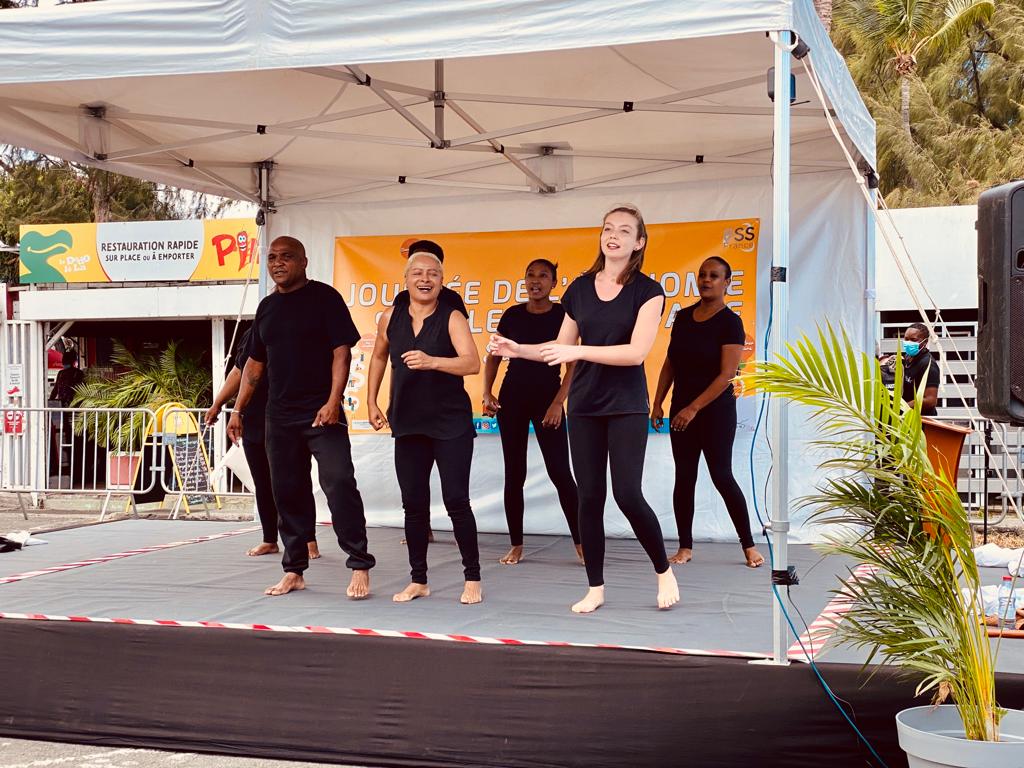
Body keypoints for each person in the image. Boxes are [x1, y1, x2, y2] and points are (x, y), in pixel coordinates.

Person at [488, 204, 679, 614]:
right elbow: (559, 349)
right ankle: (595, 586)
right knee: (589, 497)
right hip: (586, 406)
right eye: (608, 228)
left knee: (627, 494)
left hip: (626, 405)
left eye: (624, 231)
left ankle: (663, 570)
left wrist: (577, 351)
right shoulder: (578, 289)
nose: (614, 235)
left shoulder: (649, 292)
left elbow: (635, 353)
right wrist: (517, 349)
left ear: (638, 242)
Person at [229, 236, 375, 598]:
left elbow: (342, 354)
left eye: (287, 257)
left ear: (304, 261)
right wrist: (238, 408)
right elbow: (255, 364)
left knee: (339, 483)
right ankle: (294, 569)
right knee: (287, 493)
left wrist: (332, 400)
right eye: (273, 257)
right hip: (278, 417)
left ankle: (359, 563)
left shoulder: (325, 299)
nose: (278, 263)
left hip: (321, 414)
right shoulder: (266, 308)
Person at [367, 246, 483, 604]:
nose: (425, 279)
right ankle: (418, 579)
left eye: (432, 274)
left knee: (456, 500)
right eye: (417, 273)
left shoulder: (451, 317)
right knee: (413, 504)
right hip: (408, 422)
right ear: (405, 280)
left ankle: (472, 577)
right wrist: (371, 401)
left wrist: (433, 361)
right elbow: (379, 356)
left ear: (442, 281)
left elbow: (472, 364)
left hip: (451, 423)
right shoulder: (390, 317)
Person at [650, 257, 764, 569]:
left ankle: (749, 545)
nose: (707, 280)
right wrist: (658, 401)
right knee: (684, 477)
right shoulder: (684, 317)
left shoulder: (730, 322)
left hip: (714, 412)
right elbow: (670, 363)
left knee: (722, 476)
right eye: (702, 275)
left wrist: (694, 408)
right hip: (681, 411)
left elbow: (727, 374)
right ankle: (685, 546)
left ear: (727, 283)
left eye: (714, 276)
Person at [482, 258, 582, 565]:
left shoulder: (563, 315)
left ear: (554, 282)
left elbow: (573, 364)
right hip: (512, 399)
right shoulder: (512, 315)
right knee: (515, 474)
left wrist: (557, 402)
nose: (535, 280)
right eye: (530, 275)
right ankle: (516, 544)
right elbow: (495, 355)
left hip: (547, 401)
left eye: (543, 276)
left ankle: (582, 544)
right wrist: (486, 391)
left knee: (560, 473)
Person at [205, 328, 319, 560]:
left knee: (296, 479)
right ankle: (269, 539)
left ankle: (308, 539)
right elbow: (239, 371)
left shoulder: (298, 328)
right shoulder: (253, 332)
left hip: (289, 414)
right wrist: (218, 404)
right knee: (262, 481)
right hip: (255, 416)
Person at [882, 322, 940, 416]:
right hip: (904, 417)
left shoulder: (928, 364)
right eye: (906, 339)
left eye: (913, 340)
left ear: (925, 342)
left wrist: (900, 407)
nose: (908, 343)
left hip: (920, 420)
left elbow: (930, 400)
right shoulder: (907, 357)